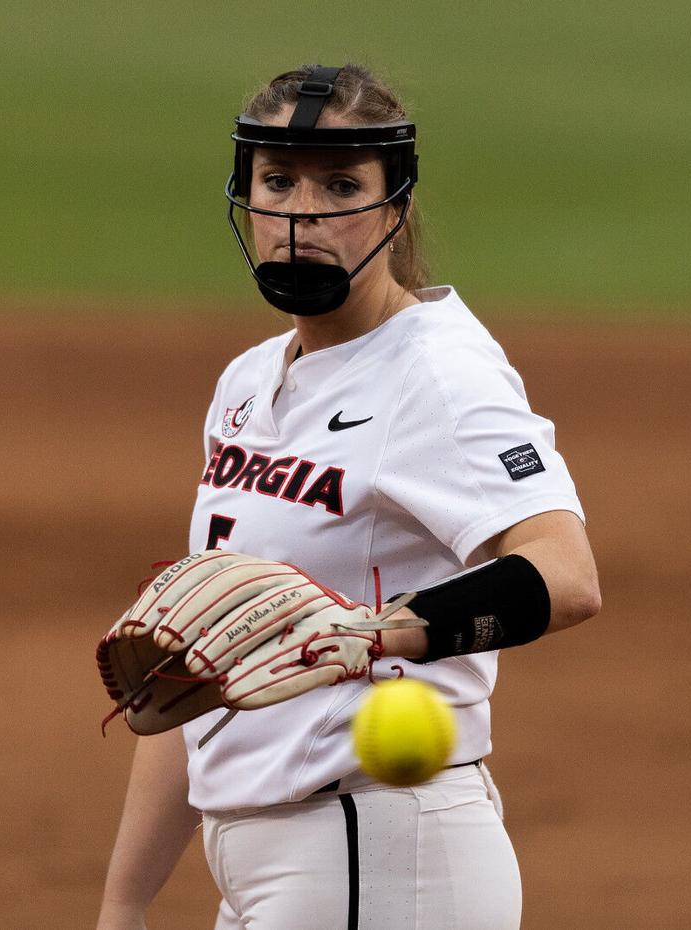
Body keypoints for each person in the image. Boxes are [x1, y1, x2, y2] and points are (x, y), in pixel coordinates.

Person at [96, 63, 601, 930]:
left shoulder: (436, 372)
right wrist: (124, 903)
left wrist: (375, 631)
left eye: (341, 186)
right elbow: (202, 664)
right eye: (279, 181)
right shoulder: (249, 384)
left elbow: (565, 575)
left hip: (376, 848)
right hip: (268, 860)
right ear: (245, 196)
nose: (302, 214)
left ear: (395, 206)